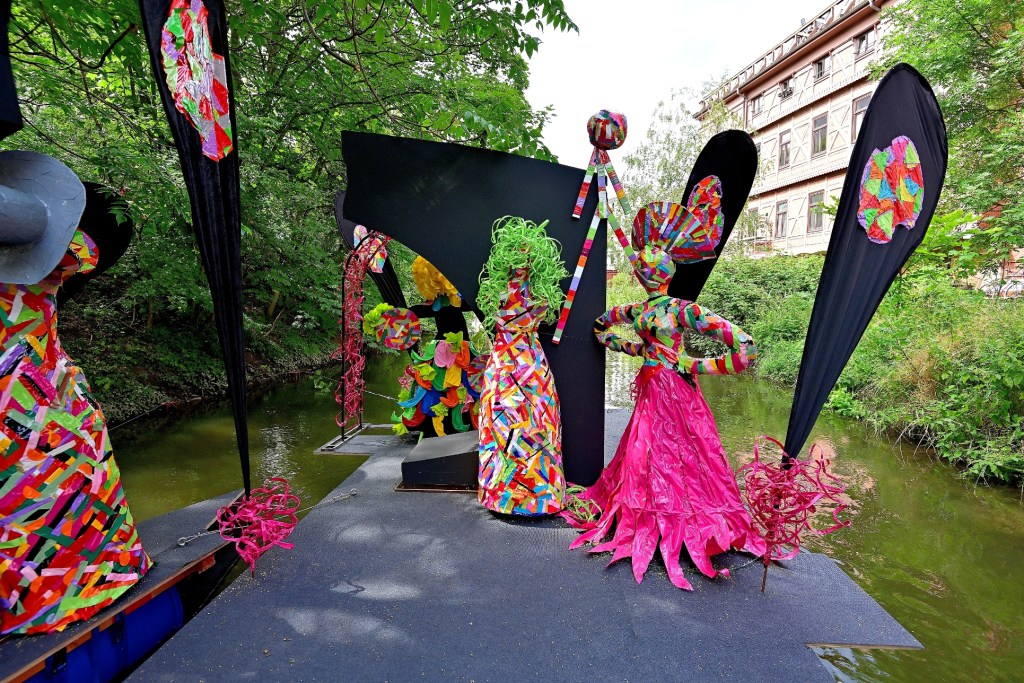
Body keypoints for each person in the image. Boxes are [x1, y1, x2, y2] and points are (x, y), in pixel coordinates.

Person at [565, 199, 765, 589]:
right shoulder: (668, 310)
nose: (645, 274)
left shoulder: (657, 312)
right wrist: (672, 359)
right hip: (665, 388)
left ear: (649, 275)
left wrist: (665, 357)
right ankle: (667, 517)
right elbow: (745, 347)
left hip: (666, 389)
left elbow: (601, 328)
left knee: (664, 450)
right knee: (673, 450)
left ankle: (662, 518)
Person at [0, 151, 150, 634]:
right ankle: (69, 589)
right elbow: (101, 240)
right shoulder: (64, 255)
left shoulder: (59, 252)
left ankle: (55, 592)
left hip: (36, 400)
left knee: (48, 484)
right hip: (35, 399)